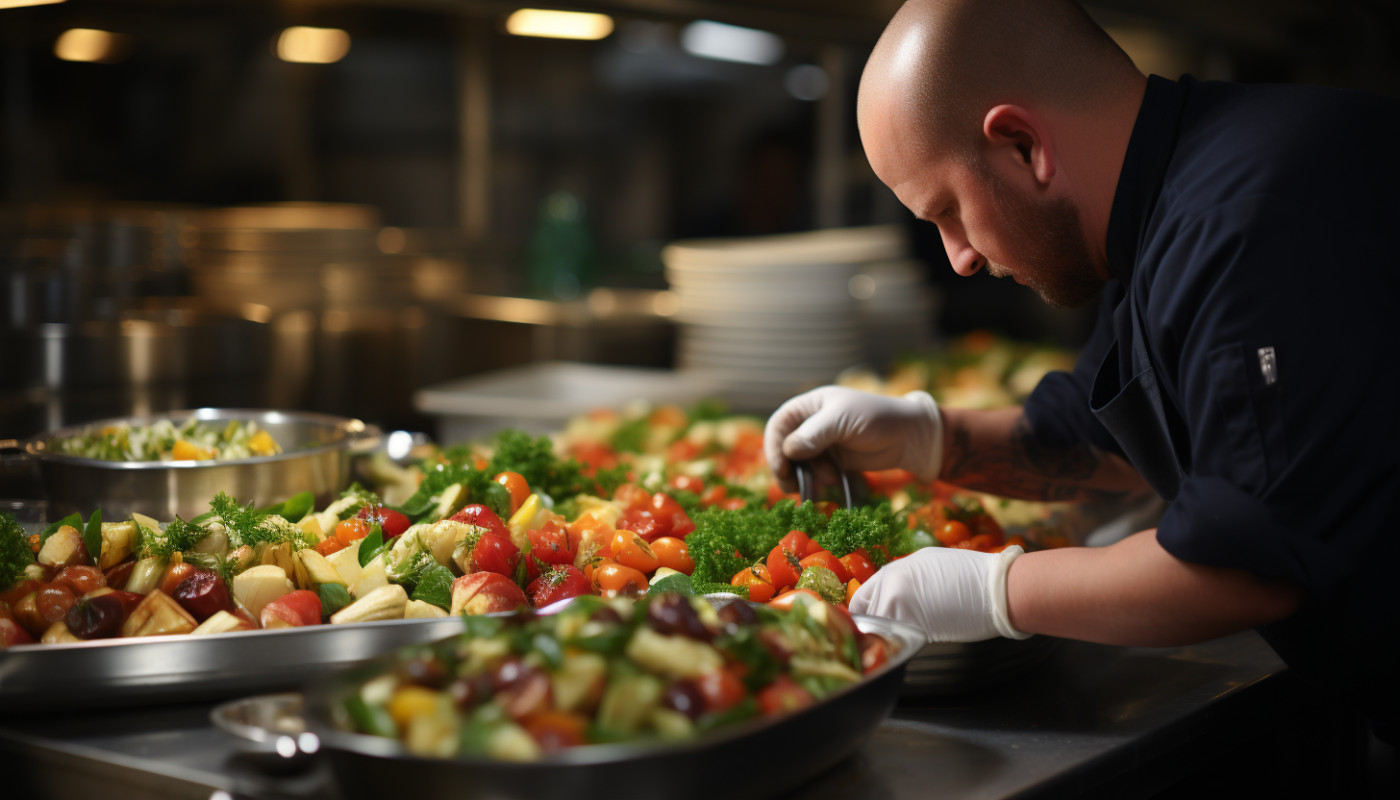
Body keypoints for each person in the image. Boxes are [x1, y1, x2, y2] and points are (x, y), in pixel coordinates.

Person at [764, 0, 1400, 732]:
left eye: (948, 211)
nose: (960, 258)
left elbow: (1246, 570)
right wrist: (928, 437)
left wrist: (997, 591)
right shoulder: (1166, 202)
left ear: (1023, 145)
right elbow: (1104, 444)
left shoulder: (1247, 225)